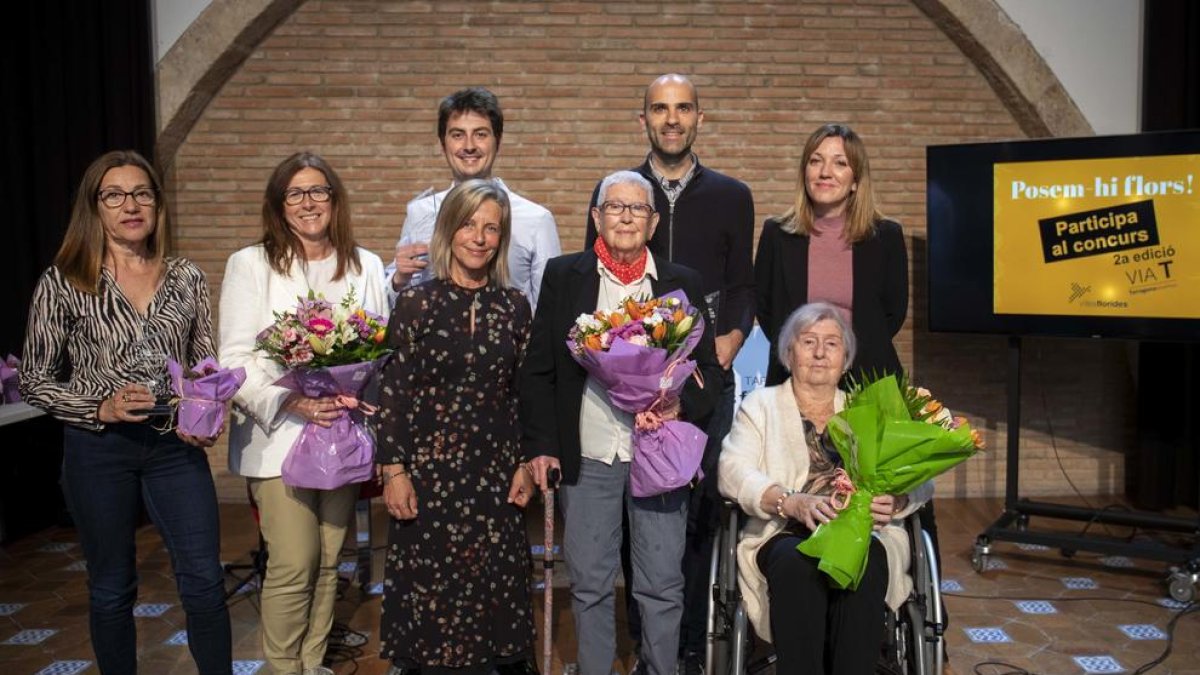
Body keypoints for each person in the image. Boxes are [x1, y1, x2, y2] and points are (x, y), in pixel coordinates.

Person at [20, 150, 231, 674]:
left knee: (204, 580)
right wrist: (100, 407)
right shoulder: (65, 279)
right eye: (114, 195)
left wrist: (203, 413)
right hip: (98, 451)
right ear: (95, 208)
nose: (130, 205)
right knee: (113, 588)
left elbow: (204, 364)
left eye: (142, 193)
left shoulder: (185, 276)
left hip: (172, 447)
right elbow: (35, 379)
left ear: (157, 204)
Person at [583, 73, 755, 672]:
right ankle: (645, 644)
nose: (672, 118)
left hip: (703, 381)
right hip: (629, 394)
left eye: (683, 108)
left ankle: (689, 644)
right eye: (660, 108)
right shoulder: (617, 193)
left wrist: (724, 345)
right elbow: (595, 287)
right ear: (644, 120)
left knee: (700, 511)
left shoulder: (733, 195)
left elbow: (742, 287)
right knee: (639, 519)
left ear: (700, 117)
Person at [521, 171, 723, 675]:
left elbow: (711, 377)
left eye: (637, 209)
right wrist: (541, 446)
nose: (626, 217)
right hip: (589, 452)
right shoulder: (563, 275)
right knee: (588, 582)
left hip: (658, 455)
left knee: (660, 583)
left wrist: (678, 407)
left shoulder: (683, 283)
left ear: (653, 221)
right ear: (596, 217)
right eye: (615, 207)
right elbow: (539, 369)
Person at [219, 152, 388, 675]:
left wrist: (360, 403)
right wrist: (292, 399)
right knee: (294, 562)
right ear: (278, 204)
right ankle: (282, 668)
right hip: (279, 437)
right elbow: (234, 358)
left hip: (340, 432)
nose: (309, 203)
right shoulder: (251, 264)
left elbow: (379, 351)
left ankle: (312, 663)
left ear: (335, 200)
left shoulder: (366, 264)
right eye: (295, 193)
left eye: (319, 191)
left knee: (330, 559)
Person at [376, 179, 538, 675]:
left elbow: (523, 396)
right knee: (434, 614)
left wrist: (525, 464)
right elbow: (394, 393)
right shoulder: (415, 304)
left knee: (495, 603)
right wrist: (394, 469)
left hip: (494, 478)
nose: (480, 237)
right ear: (449, 229)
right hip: (429, 478)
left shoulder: (515, 307)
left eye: (492, 227)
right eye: (470, 224)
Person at [717, 302, 931, 674]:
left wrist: (896, 500)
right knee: (798, 564)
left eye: (832, 344)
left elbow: (921, 479)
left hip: (864, 533)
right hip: (784, 532)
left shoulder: (866, 410)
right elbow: (733, 470)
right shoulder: (761, 406)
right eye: (808, 342)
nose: (819, 353)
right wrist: (789, 501)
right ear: (789, 353)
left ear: (845, 358)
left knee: (864, 563)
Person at [755, 123, 907, 387]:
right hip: (794, 379)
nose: (825, 172)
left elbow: (892, 315)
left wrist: (844, 356)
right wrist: (806, 357)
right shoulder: (776, 234)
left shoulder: (886, 237)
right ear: (805, 172)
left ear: (856, 181)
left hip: (868, 379)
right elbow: (766, 310)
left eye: (840, 163)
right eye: (815, 161)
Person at [385, 86, 561, 312]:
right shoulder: (419, 212)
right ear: (442, 143)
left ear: (498, 141)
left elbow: (548, 311)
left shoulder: (537, 220)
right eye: (458, 135)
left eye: (480, 134)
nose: (469, 146)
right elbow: (397, 300)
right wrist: (399, 279)